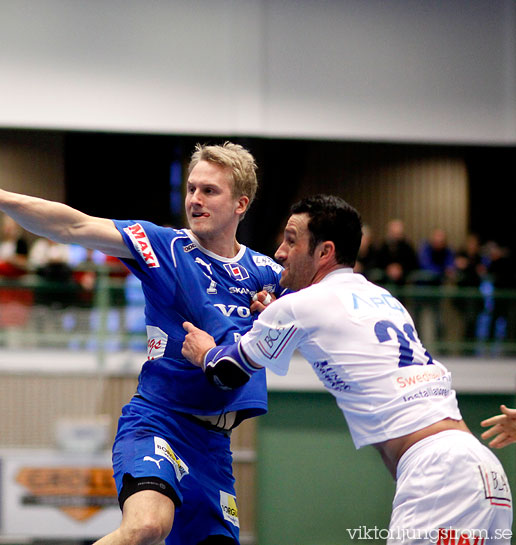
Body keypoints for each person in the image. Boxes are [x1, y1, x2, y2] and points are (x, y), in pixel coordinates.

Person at [0, 142, 285, 545]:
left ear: (241, 203)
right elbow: (73, 226)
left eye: (209, 191)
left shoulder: (267, 275)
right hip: (160, 422)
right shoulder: (164, 247)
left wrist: (277, 312)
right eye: (191, 189)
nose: (195, 200)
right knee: (147, 525)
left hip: (215, 447)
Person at [181, 195, 512, 544]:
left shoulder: (300, 306)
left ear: (324, 252)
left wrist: (204, 352)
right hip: (484, 470)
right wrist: (279, 316)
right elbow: (323, 329)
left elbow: (227, 370)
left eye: (291, 241)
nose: (279, 252)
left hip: (438, 474)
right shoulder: (384, 299)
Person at [376, 218, 418, 286]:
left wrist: (401, 268)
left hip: (404, 282)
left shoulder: (408, 247)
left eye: (398, 233)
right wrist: (388, 268)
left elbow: (412, 263)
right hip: (385, 281)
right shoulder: (382, 247)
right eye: (393, 233)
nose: (396, 236)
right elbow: (378, 262)